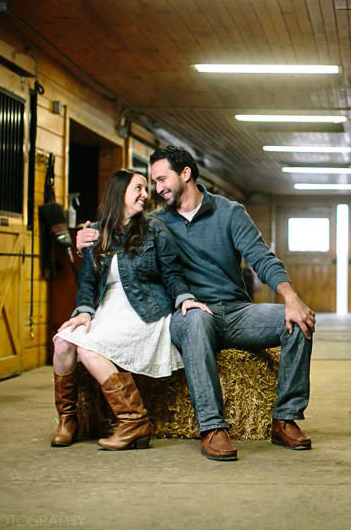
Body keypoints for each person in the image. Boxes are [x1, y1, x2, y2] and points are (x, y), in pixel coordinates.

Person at [77, 146, 316, 462]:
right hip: (189, 312)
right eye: (153, 182)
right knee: (196, 321)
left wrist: (291, 299)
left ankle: (285, 418)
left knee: (299, 322)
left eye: (162, 179)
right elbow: (115, 233)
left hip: (237, 311)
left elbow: (262, 258)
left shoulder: (230, 212)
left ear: (185, 174)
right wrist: (86, 239)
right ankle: (213, 427)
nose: (157, 188)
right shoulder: (155, 223)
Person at [52, 169, 211, 451]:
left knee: (88, 350)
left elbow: (172, 273)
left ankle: (133, 421)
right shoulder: (96, 233)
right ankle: (68, 420)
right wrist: (84, 311)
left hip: (144, 309)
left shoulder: (155, 229)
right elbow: (88, 281)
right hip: (106, 310)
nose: (145, 194)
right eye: (138, 188)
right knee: (63, 342)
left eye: (146, 189)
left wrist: (184, 298)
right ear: (119, 194)